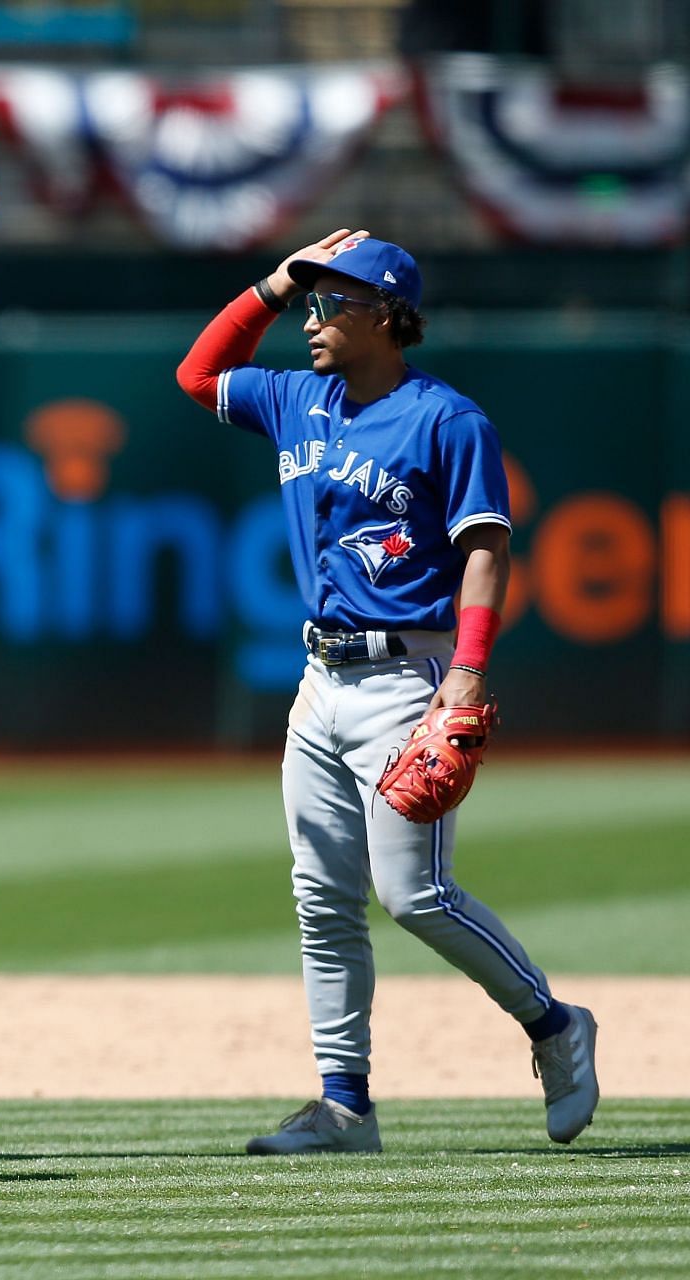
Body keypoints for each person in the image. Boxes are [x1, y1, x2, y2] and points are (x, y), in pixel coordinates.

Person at [174, 228, 600, 1154]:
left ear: (385, 316)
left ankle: (555, 1027)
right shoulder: (295, 397)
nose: (313, 318)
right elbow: (198, 374)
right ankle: (344, 1106)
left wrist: (470, 676)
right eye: (312, 301)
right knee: (321, 897)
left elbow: (486, 551)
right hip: (319, 677)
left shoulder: (447, 420)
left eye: (332, 303)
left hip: (410, 675)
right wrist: (275, 282)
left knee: (416, 895)